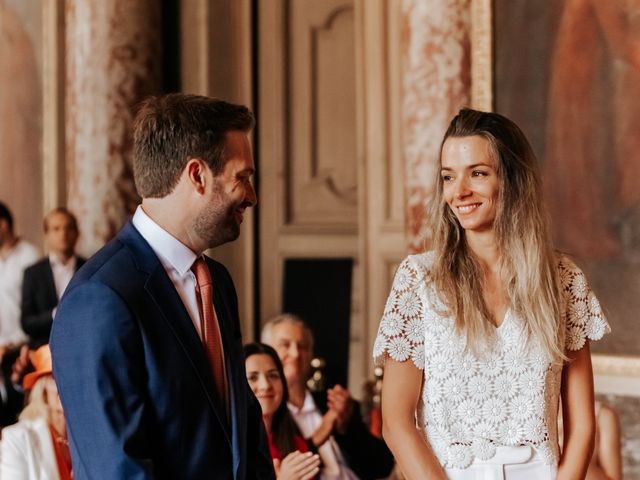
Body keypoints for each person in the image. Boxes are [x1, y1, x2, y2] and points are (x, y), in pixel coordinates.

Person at [373, 108, 611, 479]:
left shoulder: (563, 279)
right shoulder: (419, 280)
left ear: (513, 180)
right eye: (448, 177)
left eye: (478, 173)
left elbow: (582, 428)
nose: (459, 192)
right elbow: (396, 422)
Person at [50, 94, 274, 479]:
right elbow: (117, 467)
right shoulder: (101, 297)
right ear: (197, 175)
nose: (252, 196)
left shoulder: (217, 283)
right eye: (243, 177)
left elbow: (243, 431)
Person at [262, 314, 395, 480]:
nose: (296, 353)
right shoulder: (268, 414)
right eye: (285, 345)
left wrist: (347, 427)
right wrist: (324, 428)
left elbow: (382, 466)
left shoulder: (330, 401)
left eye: (303, 346)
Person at [244, 342, 323, 480]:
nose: (265, 385)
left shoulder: (296, 443)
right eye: (253, 377)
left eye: (273, 375)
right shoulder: (230, 447)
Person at [0, 344, 72, 480]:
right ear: (43, 390)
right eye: (56, 377)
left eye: (72, 375)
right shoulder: (17, 439)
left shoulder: (89, 435)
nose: (66, 383)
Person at [21, 208, 85, 348]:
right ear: (47, 235)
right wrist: (55, 314)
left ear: (77, 233)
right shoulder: (32, 273)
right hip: (45, 350)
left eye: (68, 228)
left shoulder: (89, 268)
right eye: (56, 229)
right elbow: (26, 323)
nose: (63, 234)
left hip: (82, 345)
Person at [0, 201, 39, 426]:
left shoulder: (29, 255)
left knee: (16, 418)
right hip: (0, 348)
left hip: (20, 349)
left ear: (3, 225)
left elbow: (31, 308)